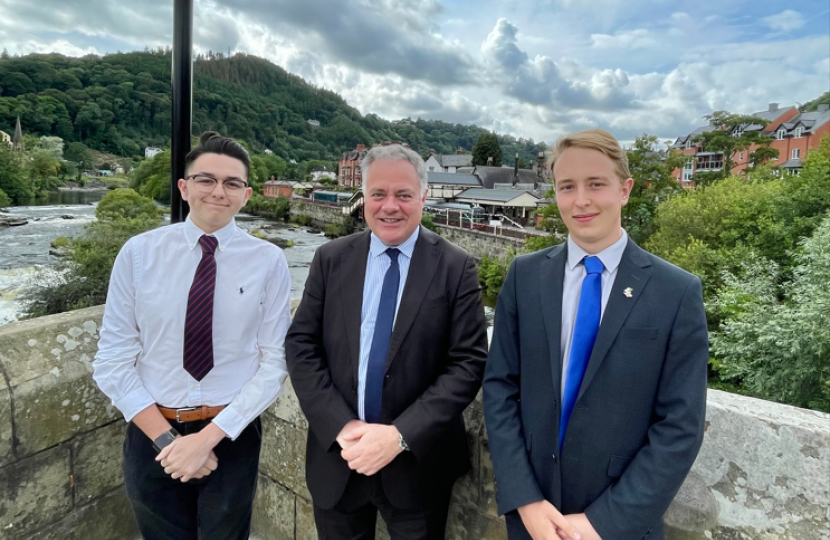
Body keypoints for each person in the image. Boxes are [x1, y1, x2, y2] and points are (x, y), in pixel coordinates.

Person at [483, 129, 708, 540]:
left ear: (625, 190)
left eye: (596, 184)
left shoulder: (675, 291)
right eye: (567, 186)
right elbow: (499, 388)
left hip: (617, 525)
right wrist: (525, 501)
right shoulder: (525, 276)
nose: (581, 200)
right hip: (532, 518)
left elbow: (680, 425)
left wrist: (601, 524)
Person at [93, 131, 292, 540]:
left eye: (232, 183)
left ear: (247, 194)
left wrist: (207, 440)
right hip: (152, 433)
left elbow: (274, 361)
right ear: (184, 187)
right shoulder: (138, 253)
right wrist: (170, 441)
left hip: (231, 434)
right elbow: (111, 359)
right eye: (206, 179)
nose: (218, 191)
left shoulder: (269, 261)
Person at [286, 144, 488, 540]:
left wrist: (398, 436)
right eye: (378, 194)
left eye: (403, 195)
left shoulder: (456, 266)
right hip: (340, 458)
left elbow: (467, 363)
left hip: (418, 467)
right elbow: (301, 345)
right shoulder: (331, 258)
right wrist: (340, 426)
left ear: (424, 197)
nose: (389, 206)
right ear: (364, 197)